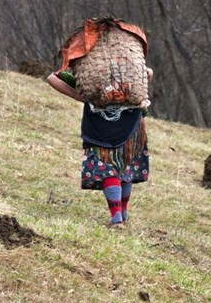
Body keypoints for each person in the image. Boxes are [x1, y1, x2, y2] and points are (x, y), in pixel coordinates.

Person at [47, 68, 152, 227]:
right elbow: (148, 73)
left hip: (100, 127)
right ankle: (122, 212)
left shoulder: (89, 66)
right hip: (131, 123)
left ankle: (117, 217)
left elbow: (52, 78)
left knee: (106, 167)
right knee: (126, 166)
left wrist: (84, 98)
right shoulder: (126, 61)